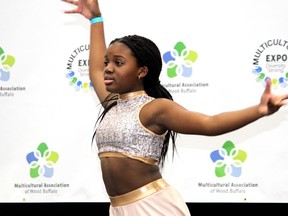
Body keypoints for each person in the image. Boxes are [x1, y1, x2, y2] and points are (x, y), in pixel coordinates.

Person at [62, 0, 288, 215]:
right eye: (107, 63)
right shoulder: (113, 104)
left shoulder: (155, 109)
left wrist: (259, 111)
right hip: (119, 208)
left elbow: (209, 124)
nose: (108, 69)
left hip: (152, 206)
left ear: (142, 71)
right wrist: (95, 19)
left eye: (118, 63)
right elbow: (94, 72)